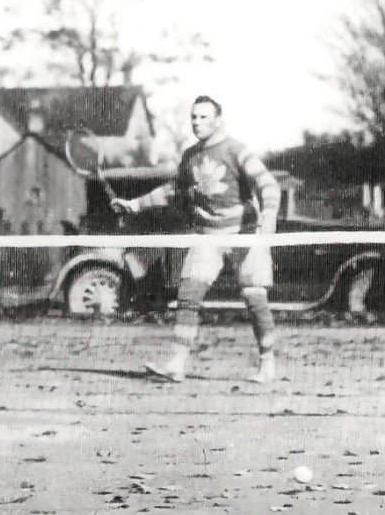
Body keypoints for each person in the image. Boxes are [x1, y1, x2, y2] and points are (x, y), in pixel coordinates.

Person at [111, 96, 281, 382]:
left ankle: (267, 362)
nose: (197, 122)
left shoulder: (237, 150)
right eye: (194, 117)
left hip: (245, 234)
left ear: (218, 120)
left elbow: (268, 184)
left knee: (255, 299)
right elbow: (172, 191)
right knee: (188, 295)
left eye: (204, 117)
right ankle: (176, 365)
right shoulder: (190, 156)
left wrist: (270, 215)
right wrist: (134, 205)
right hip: (207, 237)